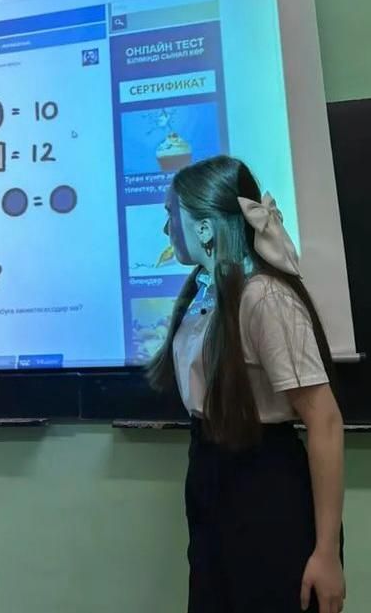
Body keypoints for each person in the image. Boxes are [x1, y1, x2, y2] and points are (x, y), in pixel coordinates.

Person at [147, 155, 345, 613]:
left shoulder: (265, 297)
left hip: (264, 488)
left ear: (203, 228)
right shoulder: (205, 293)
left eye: (171, 215)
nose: (165, 229)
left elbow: (325, 421)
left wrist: (326, 552)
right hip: (212, 478)